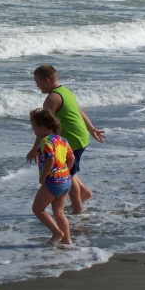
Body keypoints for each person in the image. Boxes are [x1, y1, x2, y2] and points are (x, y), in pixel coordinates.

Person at [27, 64, 105, 214]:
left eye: (38, 83)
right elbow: (79, 111)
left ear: (47, 80)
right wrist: (91, 129)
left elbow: (43, 126)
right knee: (69, 171)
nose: (37, 86)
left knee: (68, 174)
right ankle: (84, 193)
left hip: (72, 140)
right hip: (80, 136)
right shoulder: (65, 91)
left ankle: (78, 208)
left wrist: (35, 149)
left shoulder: (51, 99)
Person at [30, 108, 75, 245]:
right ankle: (67, 241)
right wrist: (66, 171)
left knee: (37, 209)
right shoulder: (62, 140)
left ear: (42, 128)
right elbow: (71, 157)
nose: (34, 132)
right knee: (59, 212)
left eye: (34, 129)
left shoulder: (46, 141)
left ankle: (57, 233)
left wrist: (43, 177)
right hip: (65, 181)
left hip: (53, 181)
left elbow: (50, 159)